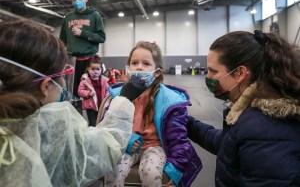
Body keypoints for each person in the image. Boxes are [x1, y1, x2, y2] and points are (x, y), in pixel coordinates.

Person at [0, 20, 147, 187]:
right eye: (63, 74)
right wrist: (124, 100)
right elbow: (102, 150)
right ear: (45, 86)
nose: (63, 83)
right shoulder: (49, 129)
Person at [187, 30, 300, 186]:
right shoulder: (251, 112)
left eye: (214, 71)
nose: (208, 77)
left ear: (240, 73)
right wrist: (187, 124)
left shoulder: (264, 127)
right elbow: (228, 144)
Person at [105, 41, 202, 187]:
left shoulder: (169, 100)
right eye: (134, 62)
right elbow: (109, 126)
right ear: (128, 68)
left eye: (146, 63)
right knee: (112, 170)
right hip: (126, 146)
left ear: (156, 72)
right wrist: (126, 138)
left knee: (150, 173)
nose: (139, 67)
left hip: (155, 147)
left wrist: (176, 168)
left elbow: (178, 138)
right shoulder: (118, 95)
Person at [59, 0, 106, 101]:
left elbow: (101, 37)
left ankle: (92, 117)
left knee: (91, 92)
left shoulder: (95, 15)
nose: (77, 0)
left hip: (89, 61)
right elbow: (62, 40)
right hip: (72, 61)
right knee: (72, 93)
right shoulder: (68, 17)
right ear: (72, 1)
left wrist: (83, 33)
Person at [78, 55, 109, 127]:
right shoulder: (85, 80)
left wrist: (106, 97)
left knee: (101, 123)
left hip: (101, 106)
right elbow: (80, 91)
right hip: (91, 107)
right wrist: (88, 93)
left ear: (101, 69)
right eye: (93, 69)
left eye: (98, 69)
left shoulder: (103, 80)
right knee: (92, 124)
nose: (95, 71)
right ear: (88, 69)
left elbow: (108, 90)